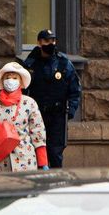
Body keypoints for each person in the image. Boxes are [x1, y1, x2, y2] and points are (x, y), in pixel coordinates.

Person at [0, 62, 48, 175]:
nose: (10, 80)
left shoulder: (29, 103)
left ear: (20, 81)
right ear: (2, 80)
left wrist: (43, 161)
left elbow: (38, 132)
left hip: (25, 161)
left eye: (15, 78)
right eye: (7, 77)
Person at [23, 29, 81, 168]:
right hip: (37, 115)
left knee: (55, 152)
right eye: (47, 41)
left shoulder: (63, 63)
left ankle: (56, 179)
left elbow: (74, 90)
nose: (50, 44)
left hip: (57, 116)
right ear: (39, 43)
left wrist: (71, 110)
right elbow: (23, 90)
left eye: (53, 41)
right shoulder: (30, 64)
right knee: (37, 151)